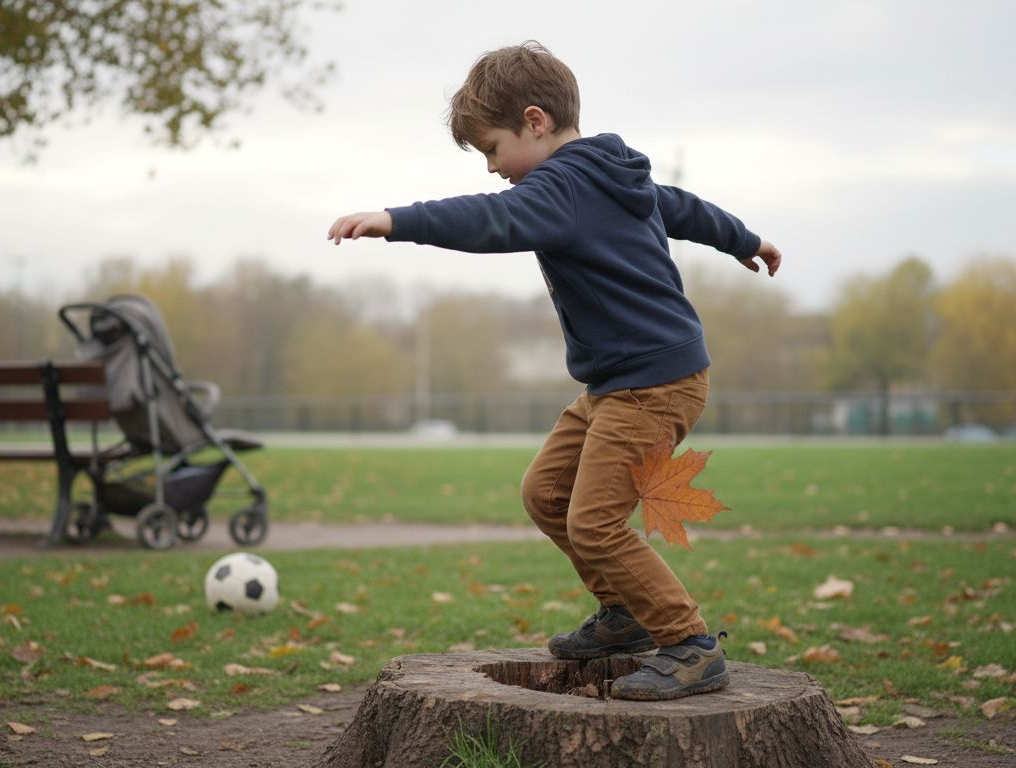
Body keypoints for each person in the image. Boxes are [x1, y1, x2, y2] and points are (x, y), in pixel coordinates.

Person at [327, 41, 782, 701]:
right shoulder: (613, 176)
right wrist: (744, 239)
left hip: (653, 386)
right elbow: (678, 206)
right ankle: (624, 613)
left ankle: (689, 646)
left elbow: (494, 220)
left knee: (593, 522)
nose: (491, 168)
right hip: (616, 386)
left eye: (491, 148)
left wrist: (397, 221)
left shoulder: (562, 186)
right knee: (547, 495)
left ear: (535, 122)